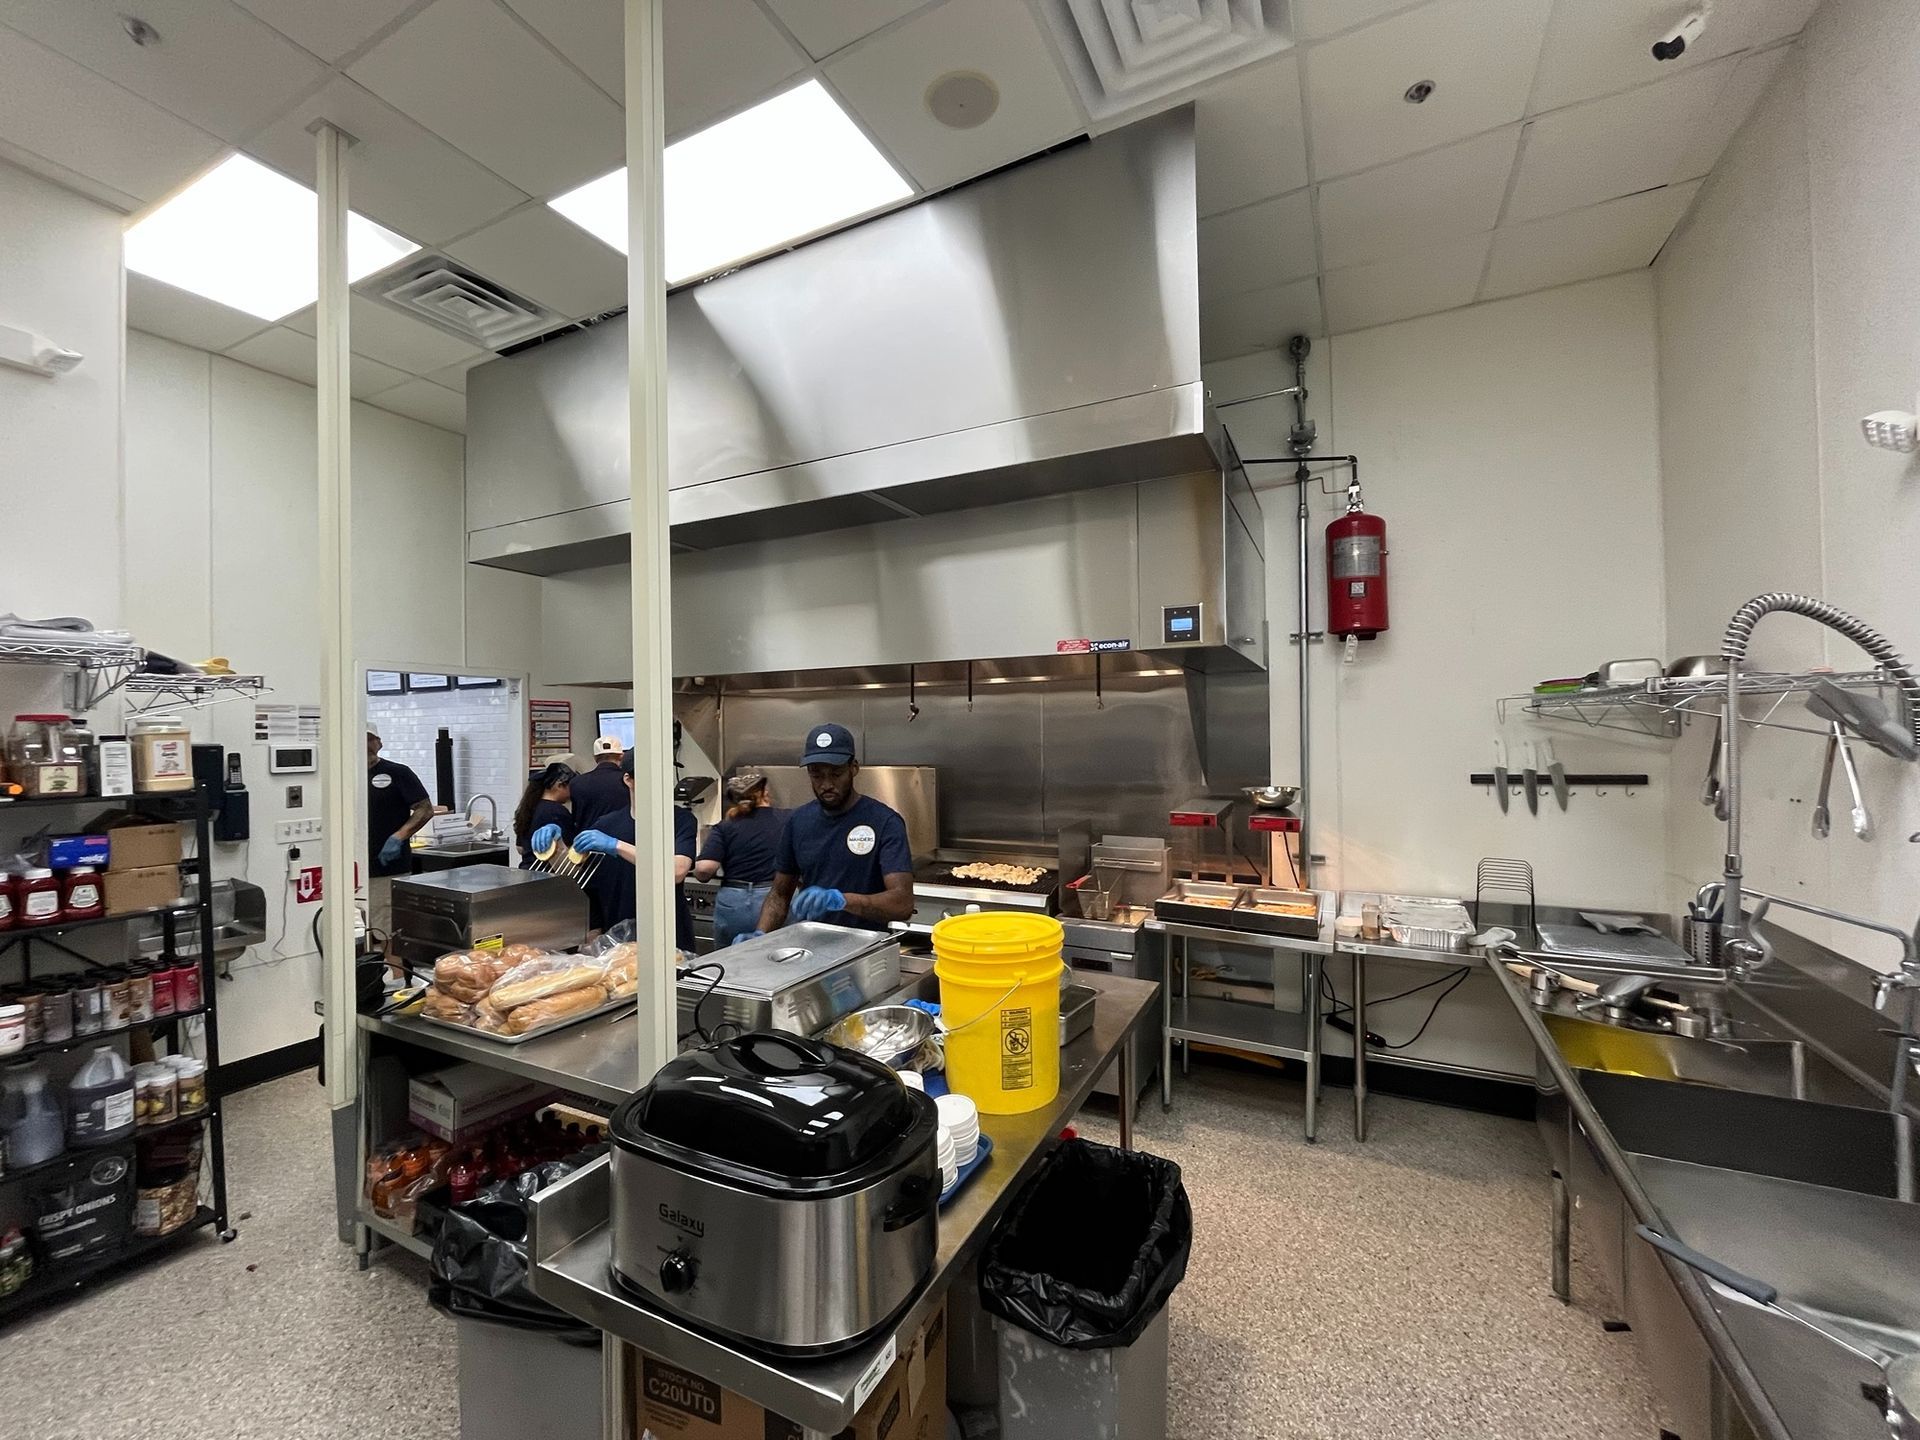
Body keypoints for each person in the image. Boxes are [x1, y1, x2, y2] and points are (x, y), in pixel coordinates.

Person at [755, 723, 913, 937]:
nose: (826, 784)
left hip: (865, 948)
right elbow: (779, 895)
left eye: (836, 773)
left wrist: (840, 900)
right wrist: (759, 936)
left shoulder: (885, 822)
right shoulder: (798, 821)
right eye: (817, 775)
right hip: (812, 944)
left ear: (854, 768)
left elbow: (902, 903)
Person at [575, 751, 699, 952]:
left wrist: (617, 846)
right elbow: (579, 874)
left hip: (669, 938)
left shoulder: (680, 820)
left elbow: (676, 871)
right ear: (628, 779)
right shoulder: (606, 824)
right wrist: (554, 846)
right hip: (617, 938)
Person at [692, 773, 787, 947]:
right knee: (782, 963)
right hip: (778, 898)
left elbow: (705, 869)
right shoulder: (787, 819)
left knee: (730, 965)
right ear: (765, 792)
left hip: (734, 904)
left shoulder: (726, 826)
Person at [366, 730, 432, 953]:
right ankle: (365, 977)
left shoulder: (397, 773)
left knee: (387, 929)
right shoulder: (342, 773)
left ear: (379, 742)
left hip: (387, 867)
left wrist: (399, 836)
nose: (365, 745)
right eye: (360, 739)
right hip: (350, 869)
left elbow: (424, 809)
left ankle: (396, 978)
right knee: (355, 928)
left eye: (370, 739)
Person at [516, 761, 576, 869]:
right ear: (559, 786)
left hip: (527, 871)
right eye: (570, 787)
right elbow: (569, 850)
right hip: (547, 874)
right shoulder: (557, 812)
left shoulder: (529, 807)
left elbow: (520, 848)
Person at [567, 736, 629, 833]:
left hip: (587, 842)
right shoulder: (629, 781)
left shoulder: (576, 782)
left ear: (595, 758)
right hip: (622, 842)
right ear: (621, 756)